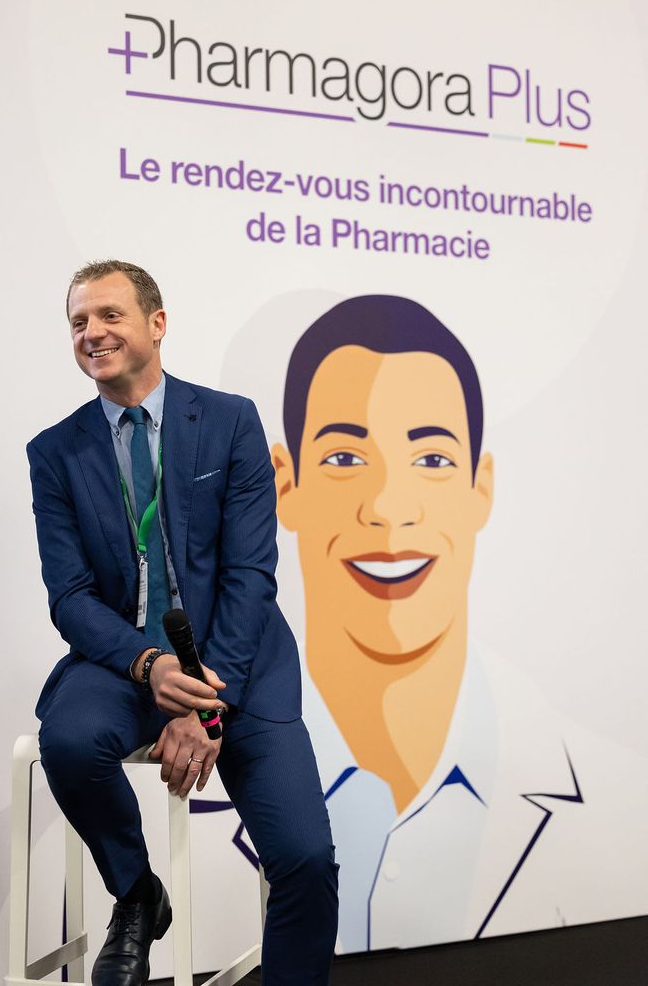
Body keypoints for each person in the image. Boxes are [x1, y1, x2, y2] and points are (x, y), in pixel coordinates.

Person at [26, 260, 338, 986]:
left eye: (109, 315)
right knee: (69, 742)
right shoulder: (55, 452)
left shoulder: (230, 421)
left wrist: (206, 708)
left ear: (156, 324)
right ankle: (138, 895)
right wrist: (148, 664)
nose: (92, 333)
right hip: (124, 661)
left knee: (304, 859)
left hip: (239, 660)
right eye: (78, 322)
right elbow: (70, 596)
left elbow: (250, 575)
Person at [269, 295, 587, 951]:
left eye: (433, 460)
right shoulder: (158, 811)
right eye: (344, 459)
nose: (389, 508)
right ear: (285, 485)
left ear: (480, 489)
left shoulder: (616, 786)